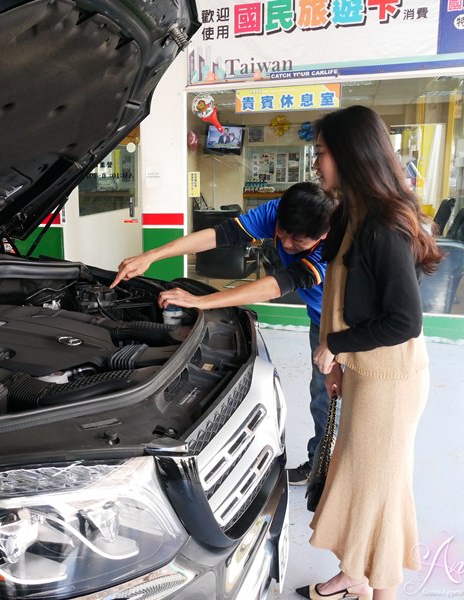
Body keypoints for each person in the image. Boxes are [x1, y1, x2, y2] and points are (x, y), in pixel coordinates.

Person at [301, 106, 442, 600]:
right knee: (357, 478)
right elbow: (340, 301)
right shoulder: (349, 215)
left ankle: (380, 590)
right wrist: (339, 362)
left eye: (321, 153)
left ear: (350, 155)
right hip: (363, 370)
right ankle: (353, 574)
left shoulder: (384, 225)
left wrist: (335, 347)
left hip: (392, 379)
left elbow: (404, 321)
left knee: (379, 489)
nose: (315, 163)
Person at [111, 181, 337, 485]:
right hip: (318, 319)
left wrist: (200, 301)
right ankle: (320, 465)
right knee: (321, 396)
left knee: (332, 400)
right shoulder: (278, 212)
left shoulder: (333, 241)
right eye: (281, 235)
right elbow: (220, 235)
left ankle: (330, 474)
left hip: (348, 324)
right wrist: (152, 255)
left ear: (321, 235)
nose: (285, 246)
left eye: (298, 243)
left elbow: (277, 285)